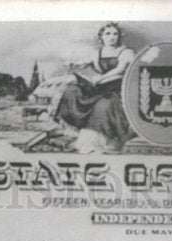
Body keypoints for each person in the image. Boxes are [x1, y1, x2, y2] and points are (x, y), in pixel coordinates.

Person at [55, 22, 134, 150]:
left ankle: (103, 141)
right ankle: (75, 131)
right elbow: (83, 63)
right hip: (100, 87)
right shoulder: (98, 53)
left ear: (119, 36)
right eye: (108, 34)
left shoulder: (126, 52)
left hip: (118, 90)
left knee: (103, 104)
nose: (112, 37)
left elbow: (119, 70)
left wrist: (100, 78)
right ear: (101, 37)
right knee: (72, 90)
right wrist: (72, 63)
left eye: (115, 34)